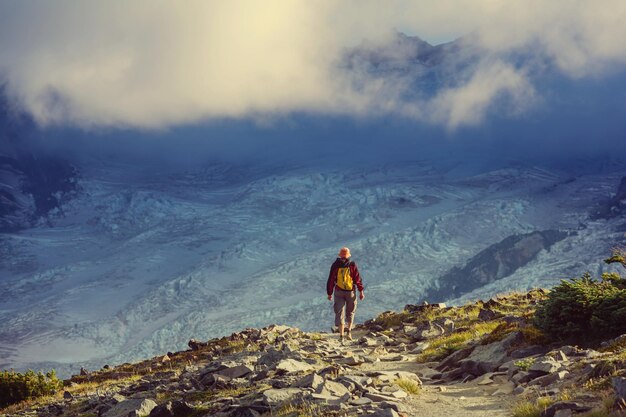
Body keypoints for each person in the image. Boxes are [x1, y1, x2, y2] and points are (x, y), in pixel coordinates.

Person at [327, 247, 365, 343]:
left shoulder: (348, 265)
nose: (344, 257)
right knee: (346, 312)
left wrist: (361, 291)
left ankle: (346, 333)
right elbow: (357, 278)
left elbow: (356, 278)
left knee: (344, 312)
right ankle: (344, 334)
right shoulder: (345, 265)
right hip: (348, 291)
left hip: (343, 291)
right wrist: (329, 293)